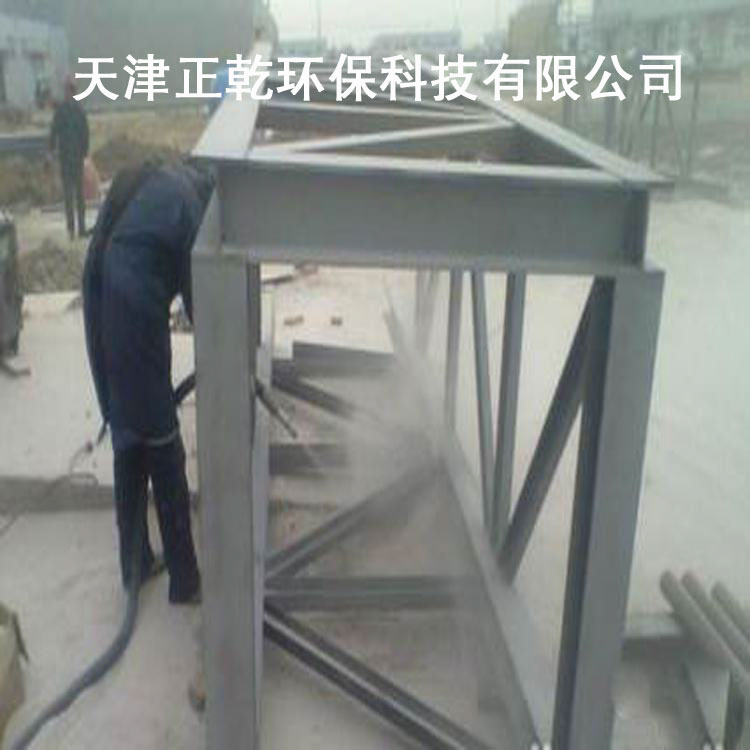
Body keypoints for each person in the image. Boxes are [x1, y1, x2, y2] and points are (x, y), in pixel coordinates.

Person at [82, 160, 214, 604]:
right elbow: (203, 303)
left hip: (99, 288)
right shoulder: (194, 208)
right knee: (161, 440)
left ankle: (135, 563)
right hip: (133, 306)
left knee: (128, 431)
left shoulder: (164, 178)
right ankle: (185, 580)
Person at [50, 78, 90, 240]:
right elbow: (54, 131)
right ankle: (71, 229)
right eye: (68, 90)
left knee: (79, 195)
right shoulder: (61, 111)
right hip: (65, 158)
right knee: (69, 196)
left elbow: (85, 133)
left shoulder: (79, 111)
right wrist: (51, 150)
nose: (69, 93)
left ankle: (81, 228)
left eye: (71, 90)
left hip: (76, 158)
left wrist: (85, 153)